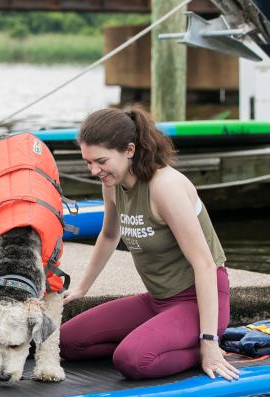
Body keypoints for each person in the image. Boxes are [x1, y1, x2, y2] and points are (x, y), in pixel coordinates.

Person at [60, 106, 239, 381]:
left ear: (129, 150)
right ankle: (159, 339)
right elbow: (109, 235)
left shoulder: (165, 187)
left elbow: (204, 264)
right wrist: (81, 288)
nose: (94, 170)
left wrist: (209, 341)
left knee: (131, 360)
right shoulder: (112, 182)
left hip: (199, 302)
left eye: (101, 161)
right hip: (157, 301)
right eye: (88, 162)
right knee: (67, 341)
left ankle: (195, 347)